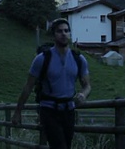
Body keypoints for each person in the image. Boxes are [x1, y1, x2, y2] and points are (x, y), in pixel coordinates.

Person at [12, 18, 91, 149]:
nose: (63, 34)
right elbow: (28, 86)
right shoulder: (42, 59)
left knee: (66, 145)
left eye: (66, 31)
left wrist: (83, 94)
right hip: (49, 110)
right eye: (59, 31)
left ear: (70, 34)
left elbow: (87, 85)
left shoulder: (79, 59)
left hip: (69, 110)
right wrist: (18, 111)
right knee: (60, 146)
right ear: (54, 35)